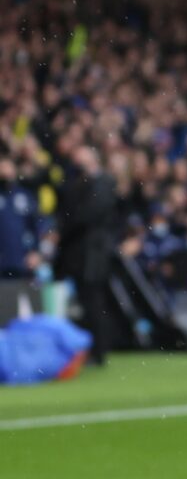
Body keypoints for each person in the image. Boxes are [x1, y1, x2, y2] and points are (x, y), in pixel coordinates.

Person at [54, 147, 117, 366]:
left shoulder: (103, 183)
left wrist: (65, 228)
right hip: (81, 255)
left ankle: (99, 351)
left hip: (92, 256)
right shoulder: (79, 184)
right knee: (88, 303)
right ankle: (93, 349)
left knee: (94, 303)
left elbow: (85, 215)